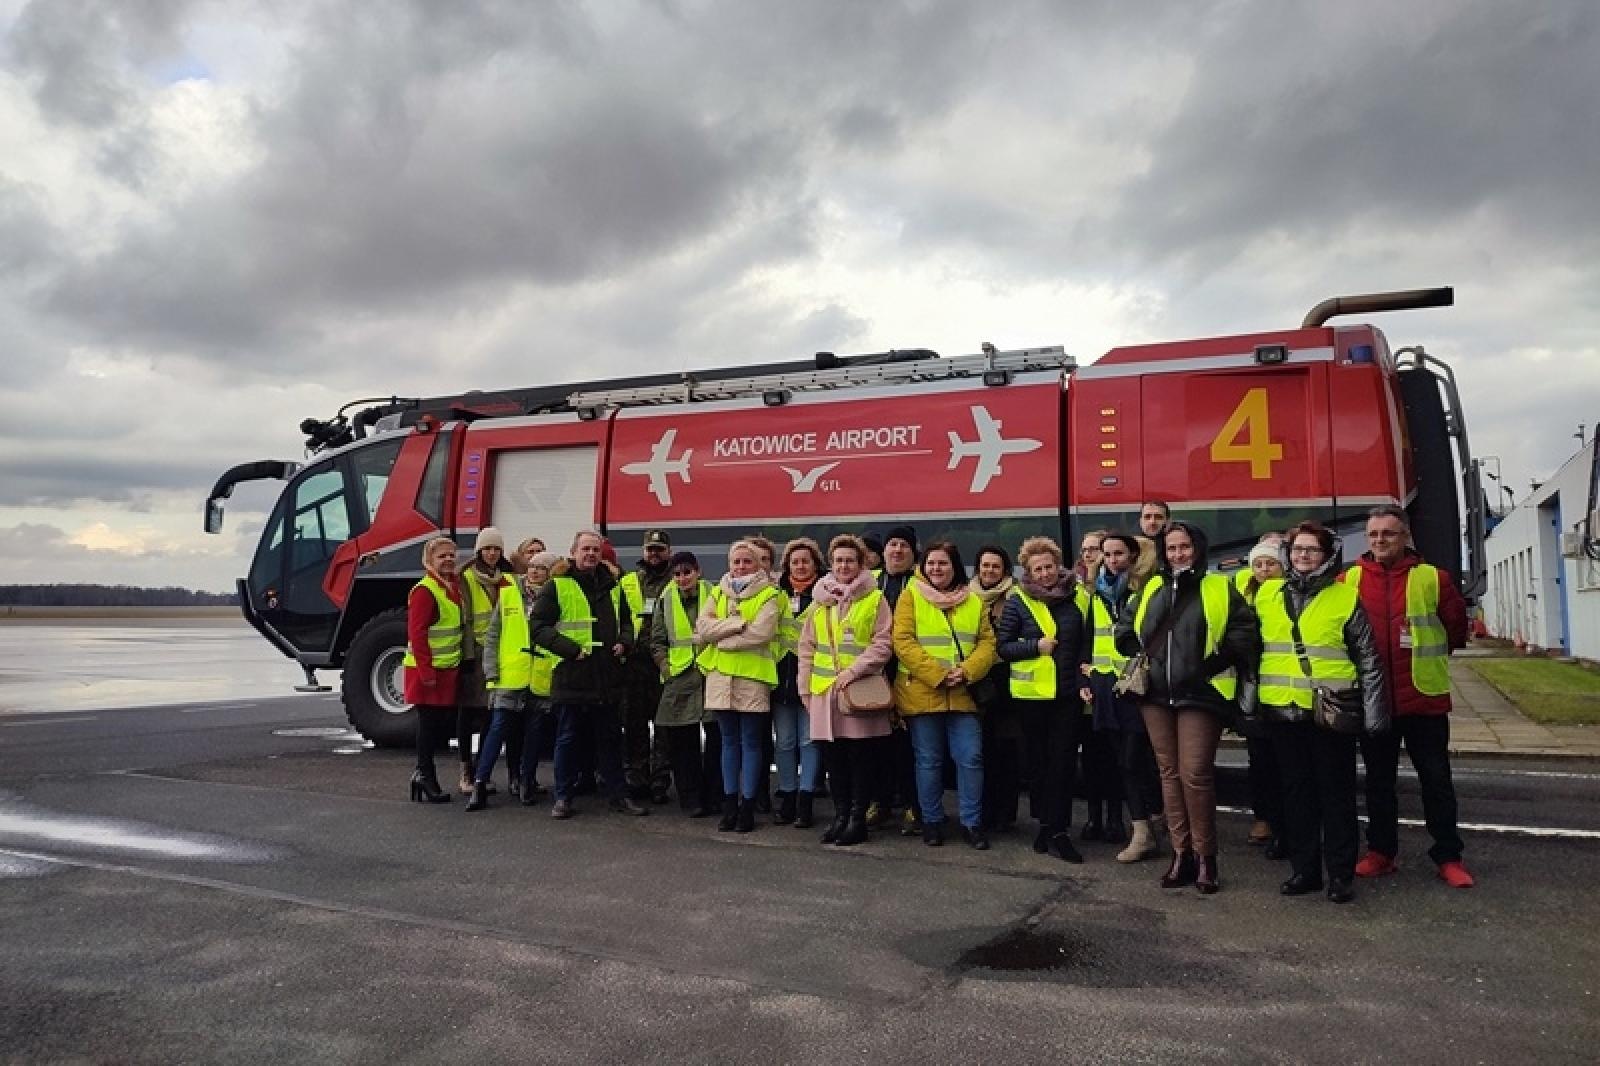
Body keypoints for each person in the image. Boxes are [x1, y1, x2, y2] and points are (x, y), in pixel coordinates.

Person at [1116, 521, 1259, 894]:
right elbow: (1125, 629)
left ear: (1197, 549)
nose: (1178, 554)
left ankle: (1206, 855)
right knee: (1168, 773)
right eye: (1171, 548)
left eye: (1184, 547)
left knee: (1194, 773)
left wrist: (1207, 666)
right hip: (1156, 695)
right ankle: (1181, 855)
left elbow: (1244, 632)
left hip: (1202, 693)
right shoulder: (1151, 587)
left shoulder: (1219, 587)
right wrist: (1141, 656)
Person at [1255, 522, 1390, 903]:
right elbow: (1252, 650)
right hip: (1282, 710)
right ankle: (1305, 871)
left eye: (1312, 549)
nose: (1303, 555)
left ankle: (1341, 875)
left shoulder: (1345, 596)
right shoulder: (1267, 594)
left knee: (1336, 795)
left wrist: (1375, 713)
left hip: (1332, 711)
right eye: (1297, 549)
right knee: (1296, 795)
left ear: (1328, 556)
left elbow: (1368, 658)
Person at [1346, 504, 1475, 888]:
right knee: (1378, 782)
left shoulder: (1434, 578)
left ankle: (1448, 856)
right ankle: (1381, 853)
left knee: (1436, 781)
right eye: (1373, 534)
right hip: (1375, 700)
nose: (1380, 540)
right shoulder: (1349, 579)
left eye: (1388, 533)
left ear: (1405, 536)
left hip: (1423, 699)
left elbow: (1455, 629)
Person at [529, 530, 648, 819]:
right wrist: (570, 650)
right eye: (586, 549)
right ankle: (563, 797)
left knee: (610, 740)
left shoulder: (613, 587)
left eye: (596, 549)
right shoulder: (557, 586)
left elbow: (627, 622)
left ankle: (619, 796)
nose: (591, 554)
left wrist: (625, 642)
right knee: (568, 739)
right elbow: (538, 627)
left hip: (607, 677)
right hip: (572, 675)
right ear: (573, 552)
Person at [892, 540, 998, 850]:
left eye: (943, 563)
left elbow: (987, 643)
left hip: (964, 692)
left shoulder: (973, 600)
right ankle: (932, 821)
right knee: (928, 761)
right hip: (922, 692)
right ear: (923, 567)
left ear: (955, 567)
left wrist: (965, 671)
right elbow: (903, 641)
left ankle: (972, 823)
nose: (937, 568)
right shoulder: (910, 595)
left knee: (971, 757)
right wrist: (938, 674)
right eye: (931, 563)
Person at [997, 536, 1089, 863]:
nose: (1045, 573)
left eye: (1049, 566)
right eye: (1038, 569)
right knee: (1038, 765)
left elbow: (1086, 645)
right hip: (1032, 699)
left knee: (1063, 763)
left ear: (1058, 565)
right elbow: (1003, 647)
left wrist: (1083, 680)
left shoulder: (1079, 597)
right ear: (1028, 572)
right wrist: (1035, 647)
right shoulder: (1018, 601)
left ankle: (1059, 830)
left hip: (1067, 696)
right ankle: (1045, 825)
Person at [799, 534, 894, 847]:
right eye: (838, 560)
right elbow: (807, 648)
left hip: (859, 692)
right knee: (834, 759)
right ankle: (840, 817)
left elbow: (883, 643)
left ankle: (857, 820)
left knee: (860, 759)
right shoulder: (820, 601)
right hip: (824, 693)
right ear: (831, 563)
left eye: (850, 560)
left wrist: (854, 671)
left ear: (861, 563)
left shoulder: (874, 599)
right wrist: (804, 689)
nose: (843, 566)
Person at [1079, 532, 1161, 862]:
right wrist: (1084, 677)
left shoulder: (1144, 590)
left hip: (1138, 687)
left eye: (1119, 554)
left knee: (1135, 759)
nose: (1113, 560)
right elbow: (1088, 640)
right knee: (1124, 763)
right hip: (1106, 688)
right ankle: (1144, 830)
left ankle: (1154, 820)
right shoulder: (1095, 593)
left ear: (1132, 556)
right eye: (1108, 554)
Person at [697, 540, 782, 833]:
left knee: (752, 743)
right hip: (720, 677)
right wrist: (736, 624)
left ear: (758, 565)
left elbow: (761, 633)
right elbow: (702, 628)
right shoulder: (718, 591)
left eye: (747, 561)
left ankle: (747, 806)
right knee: (728, 742)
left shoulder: (770, 594)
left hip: (752, 677)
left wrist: (721, 637)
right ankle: (729, 804)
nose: (741, 567)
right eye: (736, 561)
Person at [473, 545, 559, 812]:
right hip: (510, 674)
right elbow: (493, 636)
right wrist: (491, 672)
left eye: (542, 568)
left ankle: (526, 781)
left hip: (540, 675)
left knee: (534, 733)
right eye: (532, 566)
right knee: (497, 728)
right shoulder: (509, 594)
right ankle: (480, 782)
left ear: (550, 573)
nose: (535, 572)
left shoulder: (556, 598)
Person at [651, 551, 718, 817]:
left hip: (711, 675)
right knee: (682, 743)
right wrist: (665, 668)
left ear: (698, 571)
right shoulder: (665, 599)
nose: (682, 578)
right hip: (679, 679)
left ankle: (714, 796)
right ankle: (691, 799)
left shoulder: (715, 595)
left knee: (716, 740)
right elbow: (657, 640)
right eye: (677, 574)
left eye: (687, 572)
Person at [1237, 536, 1290, 858]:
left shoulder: (1290, 594)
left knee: (1287, 763)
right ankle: (1265, 819)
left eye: (1271, 563)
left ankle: (1286, 827)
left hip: (1285, 689)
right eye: (1258, 564)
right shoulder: (1244, 595)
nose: (1264, 569)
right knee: (1260, 761)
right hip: (1253, 691)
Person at [404, 536, 463, 804]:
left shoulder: (451, 586)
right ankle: (425, 775)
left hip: (446, 668)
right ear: (429, 561)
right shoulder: (425, 591)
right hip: (428, 672)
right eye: (442, 556)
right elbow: (417, 634)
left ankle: (423, 774)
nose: (448, 560)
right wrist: (426, 672)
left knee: (437, 726)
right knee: (428, 726)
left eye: (451, 555)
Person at [618, 529, 675, 804]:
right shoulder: (628, 581)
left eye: (659, 549)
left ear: (668, 552)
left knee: (664, 726)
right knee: (634, 723)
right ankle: (636, 777)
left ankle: (660, 780)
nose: (654, 554)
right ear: (643, 551)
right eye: (650, 549)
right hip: (634, 662)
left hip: (664, 662)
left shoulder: (677, 580)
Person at [456, 528, 513, 795]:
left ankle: (481, 770)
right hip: (475, 652)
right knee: (468, 713)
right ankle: (466, 770)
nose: (492, 554)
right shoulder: (466, 577)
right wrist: (468, 655)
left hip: (499, 652)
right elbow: (466, 619)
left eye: (496, 549)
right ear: (479, 551)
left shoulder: (507, 577)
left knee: (490, 714)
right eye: (487, 549)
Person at [773, 538, 825, 828]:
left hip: (813, 678)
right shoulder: (775, 595)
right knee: (784, 742)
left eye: (806, 561)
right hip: (781, 678)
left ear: (816, 564)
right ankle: (788, 795)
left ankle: (806, 799)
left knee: (809, 741)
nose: (801, 566)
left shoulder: (825, 595)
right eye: (795, 562)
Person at [874, 524, 920, 834]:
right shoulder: (869, 582)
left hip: (911, 675)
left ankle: (913, 805)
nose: (898, 550)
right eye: (892, 544)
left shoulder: (922, 584)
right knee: (877, 744)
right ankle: (879, 802)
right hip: (875, 673)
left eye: (904, 545)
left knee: (910, 747)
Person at [971, 545, 1021, 834]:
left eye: (996, 566)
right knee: (981, 750)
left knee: (1006, 751)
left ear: (1005, 570)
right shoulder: (966, 596)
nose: (989, 571)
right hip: (977, 679)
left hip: (1006, 681)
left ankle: (1005, 813)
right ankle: (984, 810)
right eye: (985, 565)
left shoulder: (1015, 597)